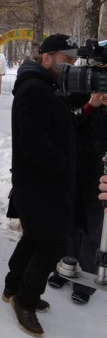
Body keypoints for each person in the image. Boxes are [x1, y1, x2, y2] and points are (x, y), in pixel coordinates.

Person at [3, 34, 84, 337]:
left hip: (42, 182)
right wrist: (60, 167)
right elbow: (32, 140)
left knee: (35, 237)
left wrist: (89, 100)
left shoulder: (47, 85)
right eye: (67, 60)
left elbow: (60, 109)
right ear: (47, 58)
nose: (70, 67)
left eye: (74, 61)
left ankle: (12, 287)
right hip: (41, 183)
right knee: (53, 243)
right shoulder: (35, 88)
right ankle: (25, 299)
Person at [46, 92, 107, 304]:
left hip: (102, 176)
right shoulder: (82, 89)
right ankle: (63, 268)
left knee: (92, 230)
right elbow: (67, 125)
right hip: (75, 171)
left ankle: (86, 283)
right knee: (68, 225)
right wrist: (90, 105)